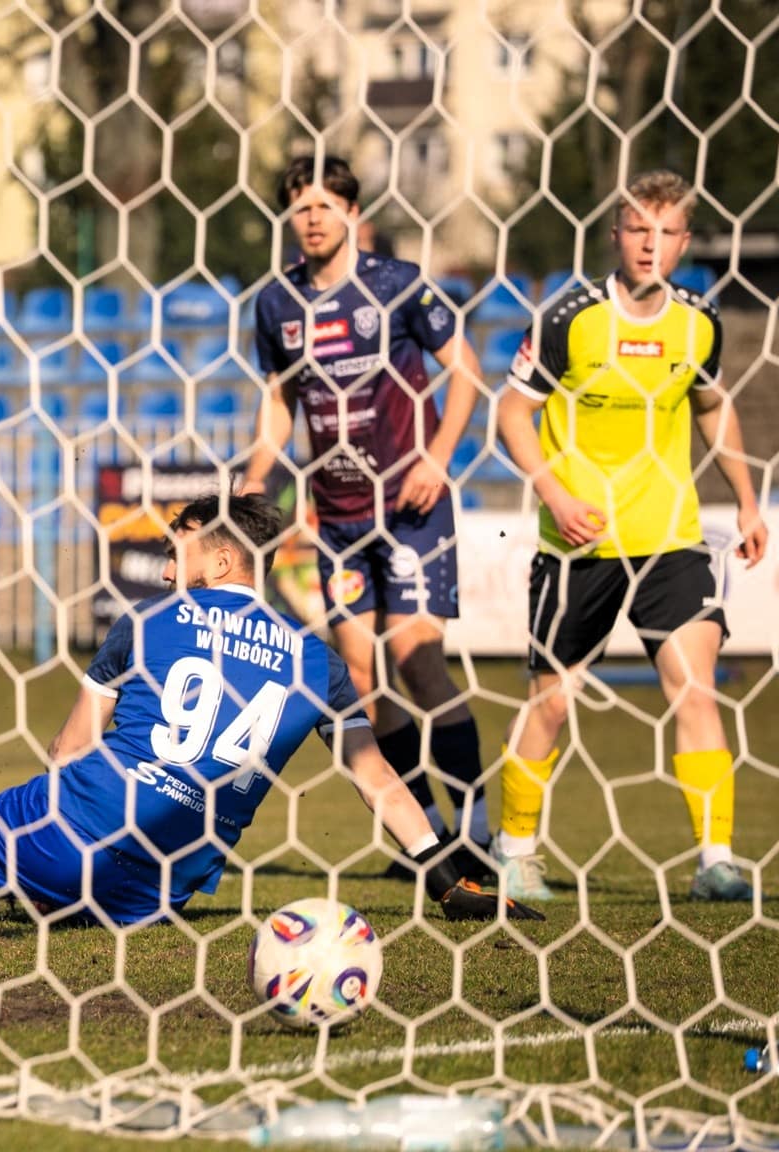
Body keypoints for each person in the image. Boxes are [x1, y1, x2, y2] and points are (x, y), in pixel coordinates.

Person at [0, 495, 541, 929]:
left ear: (221, 558)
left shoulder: (149, 623)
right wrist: (444, 876)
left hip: (74, 829)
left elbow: (69, 750)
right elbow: (381, 784)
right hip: (159, 892)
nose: (165, 566)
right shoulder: (319, 662)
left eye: (177, 546)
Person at [493, 170, 765, 903]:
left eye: (666, 232)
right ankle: (514, 851)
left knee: (696, 691)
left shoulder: (699, 321)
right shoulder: (570, 318)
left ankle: (717, 861)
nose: (651, 244)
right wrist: (555, 493)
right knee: (552, 703)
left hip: (671, 538)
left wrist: (747, 500)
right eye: (639, 229)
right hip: (577, 544)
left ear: (684, 241)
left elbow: (712, 406)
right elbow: (512, 412)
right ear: (616, 234)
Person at [240, 155, 493, 881]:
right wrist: (257, 476)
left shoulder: (398, 285)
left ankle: (477, 832)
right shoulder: (277, 304)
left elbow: (467, 372)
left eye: (326, 204)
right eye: (301, 207)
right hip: (339, 519)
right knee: (362, 678)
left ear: (352, 213)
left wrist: (436, 459)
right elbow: (280, 399)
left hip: (412, 509)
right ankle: (428, 840)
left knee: (417, 660)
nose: (313, 217)